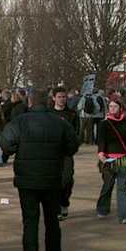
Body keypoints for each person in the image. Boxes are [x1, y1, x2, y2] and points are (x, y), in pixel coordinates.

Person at [0, 89, 79, 251]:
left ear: (30, 102)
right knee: (52, 222)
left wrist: (15, 149)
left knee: (30, 222)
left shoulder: (19, 122)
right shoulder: (59, 122)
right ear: (48, 102)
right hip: (52, 177)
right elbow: (72, 146)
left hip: (27, 179)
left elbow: (6, 144)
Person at [96, 97, 126, 224]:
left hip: (123, 159)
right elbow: (101, 140)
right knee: (108, 185)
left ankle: (124, 215)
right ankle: (103, 209)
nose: (112, 108)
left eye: (115, 106)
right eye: (110, 106)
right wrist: (101, 153)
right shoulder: (104, 123)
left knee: (122, 188)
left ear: (121, 108)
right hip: (108, 159)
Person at [50, 87, 79, 221]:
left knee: (67, 179)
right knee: (54, 180)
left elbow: (77, 133)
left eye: (64, 97)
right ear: (54, 98)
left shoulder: (72, 114)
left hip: (67, 152)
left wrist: (73, 147)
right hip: (51, 153)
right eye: (59, 97)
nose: (62, 99)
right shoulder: (49, 114)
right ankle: (56, 207)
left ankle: (64, 202)